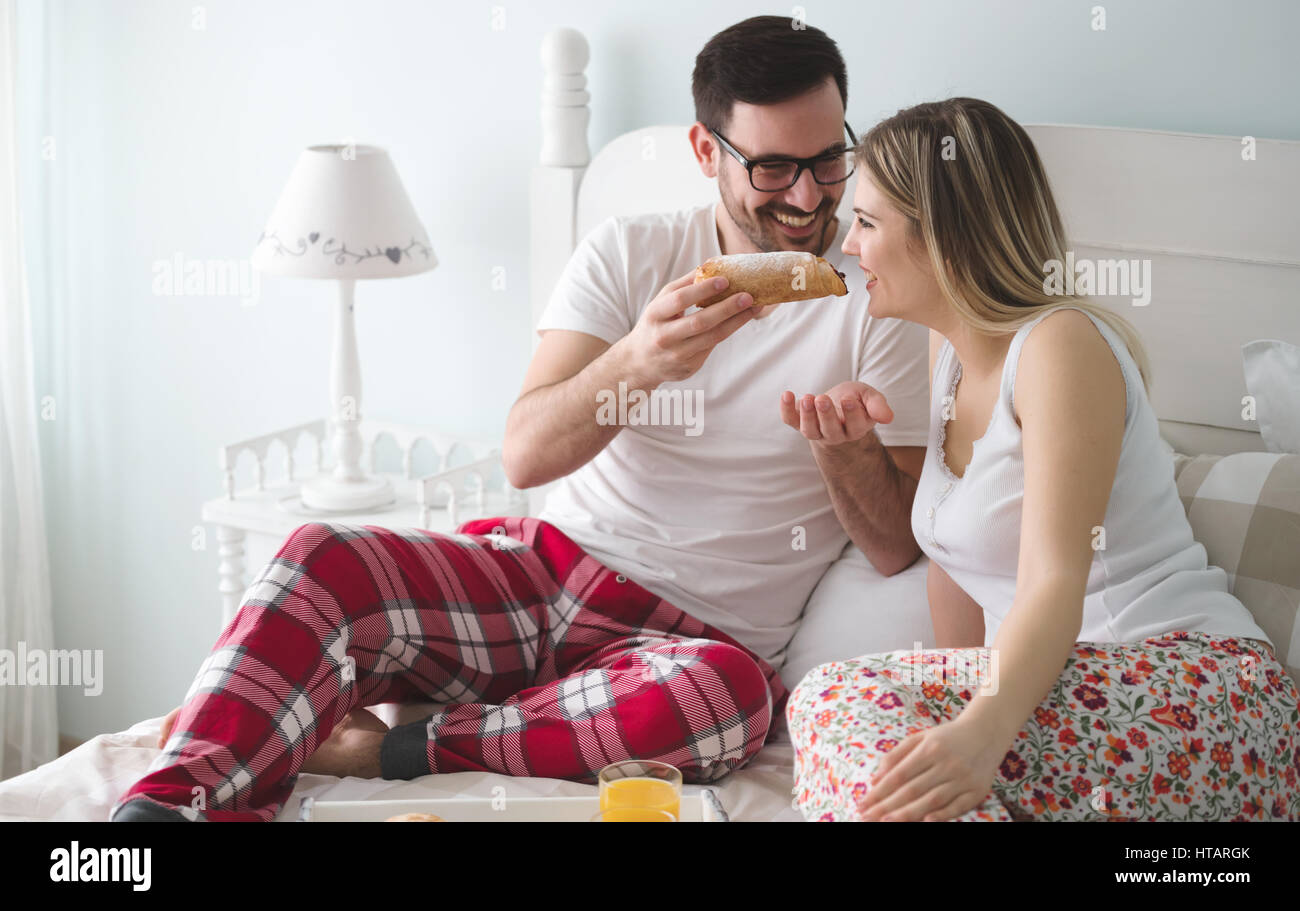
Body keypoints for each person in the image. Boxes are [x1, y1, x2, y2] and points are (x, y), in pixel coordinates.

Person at [110, 16, 930, 822]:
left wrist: (849, 453)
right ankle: (161, 812)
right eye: (774, 167)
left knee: (730, 701)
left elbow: (896, 544)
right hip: (539, 580)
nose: (808, 195)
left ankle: (384, 748)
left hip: (683, 650)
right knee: (321, 556)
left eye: (829, 161)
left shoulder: (880, 297)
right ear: (706, 152)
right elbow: (527, 453)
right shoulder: (627, 251)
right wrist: (640, 360)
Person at [786, 96, 1300, 822]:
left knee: (834, 697)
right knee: (892, 755)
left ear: (943, 234)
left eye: (867, 223)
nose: (848, 247)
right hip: (1064, 700)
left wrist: (979, 734)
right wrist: (951, 727)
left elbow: (1058, 577)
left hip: (1194, 687)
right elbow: (956, 571)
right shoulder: (948, 358)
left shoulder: (1061, 345)